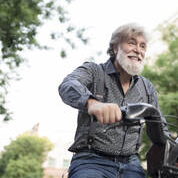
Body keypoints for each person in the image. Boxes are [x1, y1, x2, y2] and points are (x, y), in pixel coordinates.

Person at [59, 23, 168, 178]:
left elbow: (161, 129)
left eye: (143, 46)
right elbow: (68, 85)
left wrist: (173, 150)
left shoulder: (147, 87)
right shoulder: (94, 71)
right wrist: (92, 103)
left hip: (131, 163)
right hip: (91, 160)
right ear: (115, 47)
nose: (138, 50)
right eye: (131, 43)